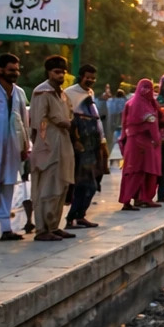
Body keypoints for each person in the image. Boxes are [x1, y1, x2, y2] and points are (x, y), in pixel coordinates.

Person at [0, 53, 29, 244]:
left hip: (13, 147)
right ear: (0, 70)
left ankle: (7, 229)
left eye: (17, 69)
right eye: (11, 69)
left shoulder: (19, 93)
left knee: (8, 187)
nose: (15, 73)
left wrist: (25, 146)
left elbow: (24, 124)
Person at [29, 55, 75, 241]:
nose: (60, 76)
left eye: (62, 72)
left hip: (63, 142)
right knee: (46, 188)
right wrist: (43, 143)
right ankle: (42, 229)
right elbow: (38, 121)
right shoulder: (42, 92)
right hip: (48, 144)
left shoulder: (62, 94)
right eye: (57, 72)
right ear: (48, 72)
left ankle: (54, 226)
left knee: (61, 185)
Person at [64, 63, 108, 229]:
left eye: (92, 78)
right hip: (79, 146)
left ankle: (80, 215)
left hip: (93, 144)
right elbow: (70, 120)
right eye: (87, 77)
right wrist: (75, 141)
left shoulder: (89, 93)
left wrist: (102, 142)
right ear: (80, 76)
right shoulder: (69, 93)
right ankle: (71, 218)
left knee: (93, 182)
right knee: (83, 183)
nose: (90, 80)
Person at [118, 78, 161, 210]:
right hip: (142, 143)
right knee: (137, 172)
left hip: (137, 143)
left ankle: (140, 198)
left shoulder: (136, 103)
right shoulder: (141, 105)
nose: (147, 91)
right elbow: (151, 124)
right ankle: (132, 200)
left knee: (141, 171)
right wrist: (157, 140)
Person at [106, 87, 126, 165]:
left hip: (112, 123)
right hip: (122, 124)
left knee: (111, 142)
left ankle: (110, 157)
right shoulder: (125, 101)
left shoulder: (111, 101)